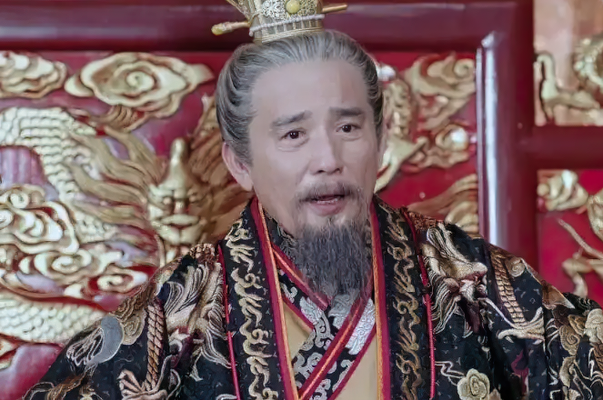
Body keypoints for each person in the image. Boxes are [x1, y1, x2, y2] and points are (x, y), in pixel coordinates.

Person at [24, 1, 603, 400]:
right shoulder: (181, 312)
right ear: (240, 163)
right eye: (294, 134)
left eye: (348, 128)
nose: (328, 158)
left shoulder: (466, 277)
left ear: (380, 141)